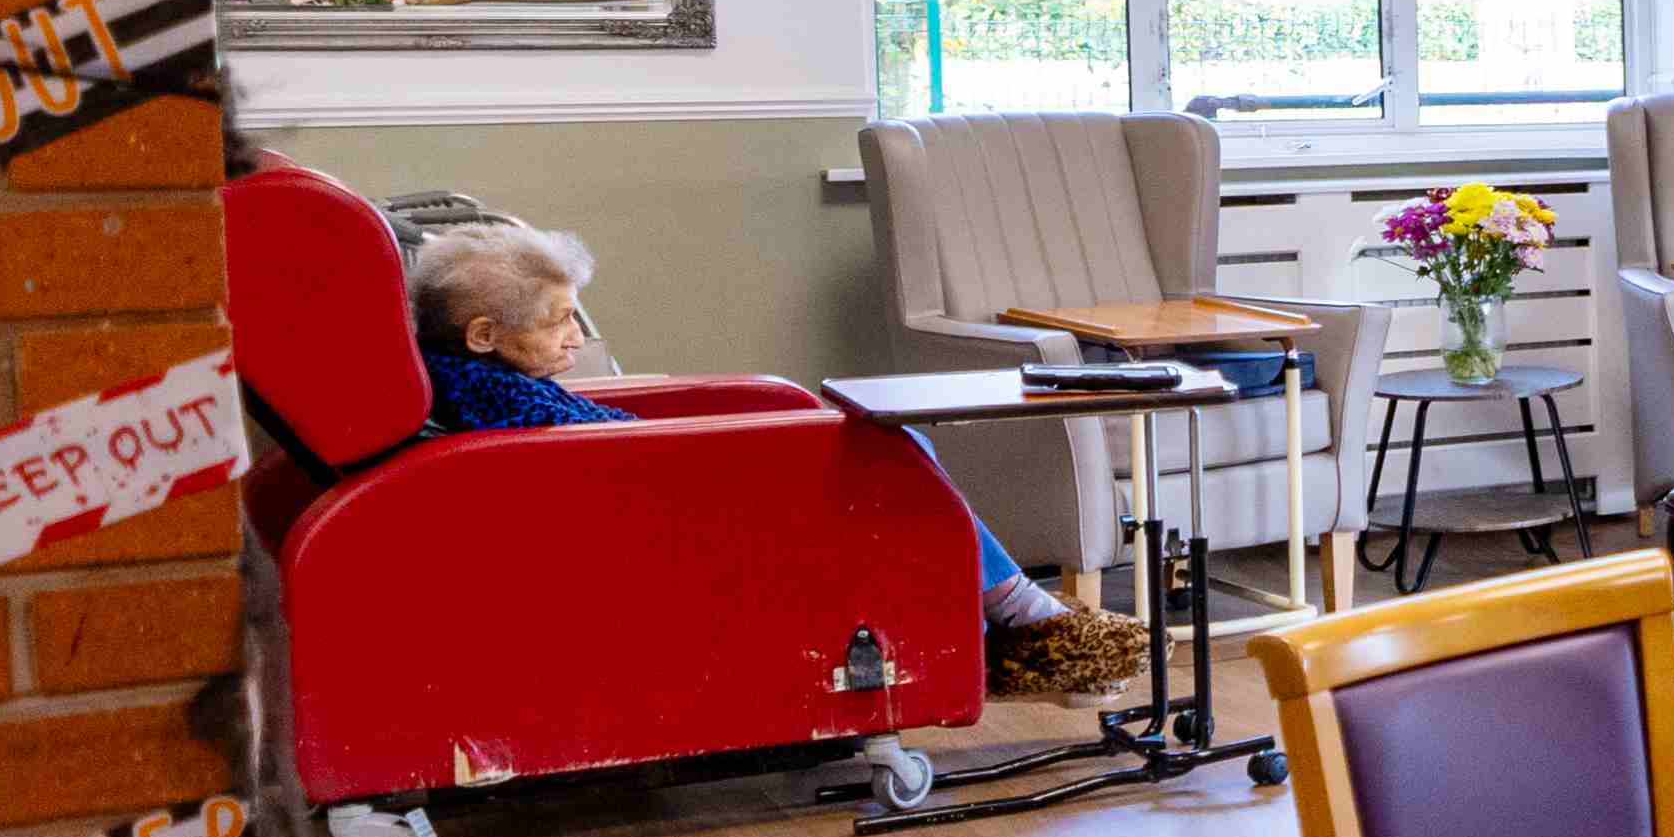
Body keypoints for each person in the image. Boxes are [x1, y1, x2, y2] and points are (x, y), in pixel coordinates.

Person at [399, 208, 1133, 713]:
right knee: (895, 448)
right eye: (555, 322)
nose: (571, 338)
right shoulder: (513, 407)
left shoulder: (486, 386)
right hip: (674, 521)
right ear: (484, 334)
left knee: (898, 450)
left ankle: (993, 615)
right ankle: (1014, 611)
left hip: (656, 492)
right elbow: (616, 462)